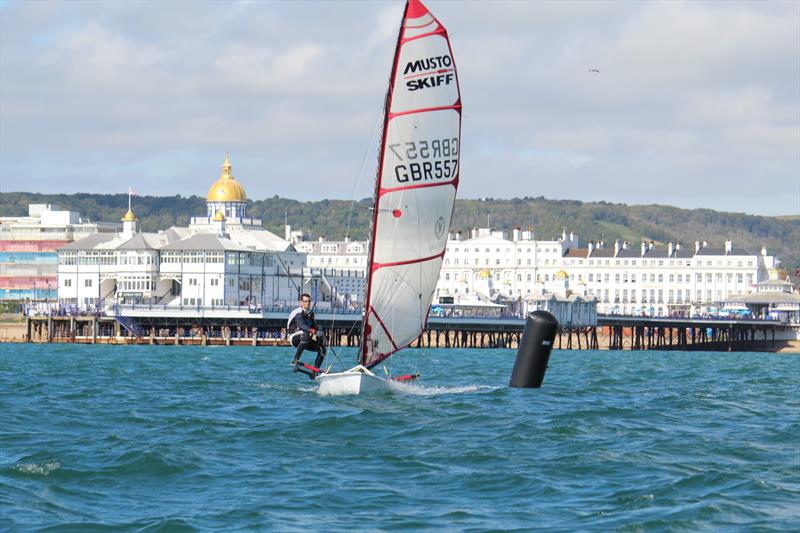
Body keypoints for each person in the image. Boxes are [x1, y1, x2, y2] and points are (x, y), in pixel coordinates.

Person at [287, 293, 326, 377]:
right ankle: (296, 359)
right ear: (301, 302)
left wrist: (320, 330)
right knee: (306, 335)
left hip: (305, 338)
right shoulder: (297, 312)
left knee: (322, 349)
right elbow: (302, 326)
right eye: (305, 301)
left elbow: (315, 326)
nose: (307, 303)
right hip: (294, 337)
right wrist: (314, 331)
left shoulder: (310, 314)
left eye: (309, 301)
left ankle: (314, 372)